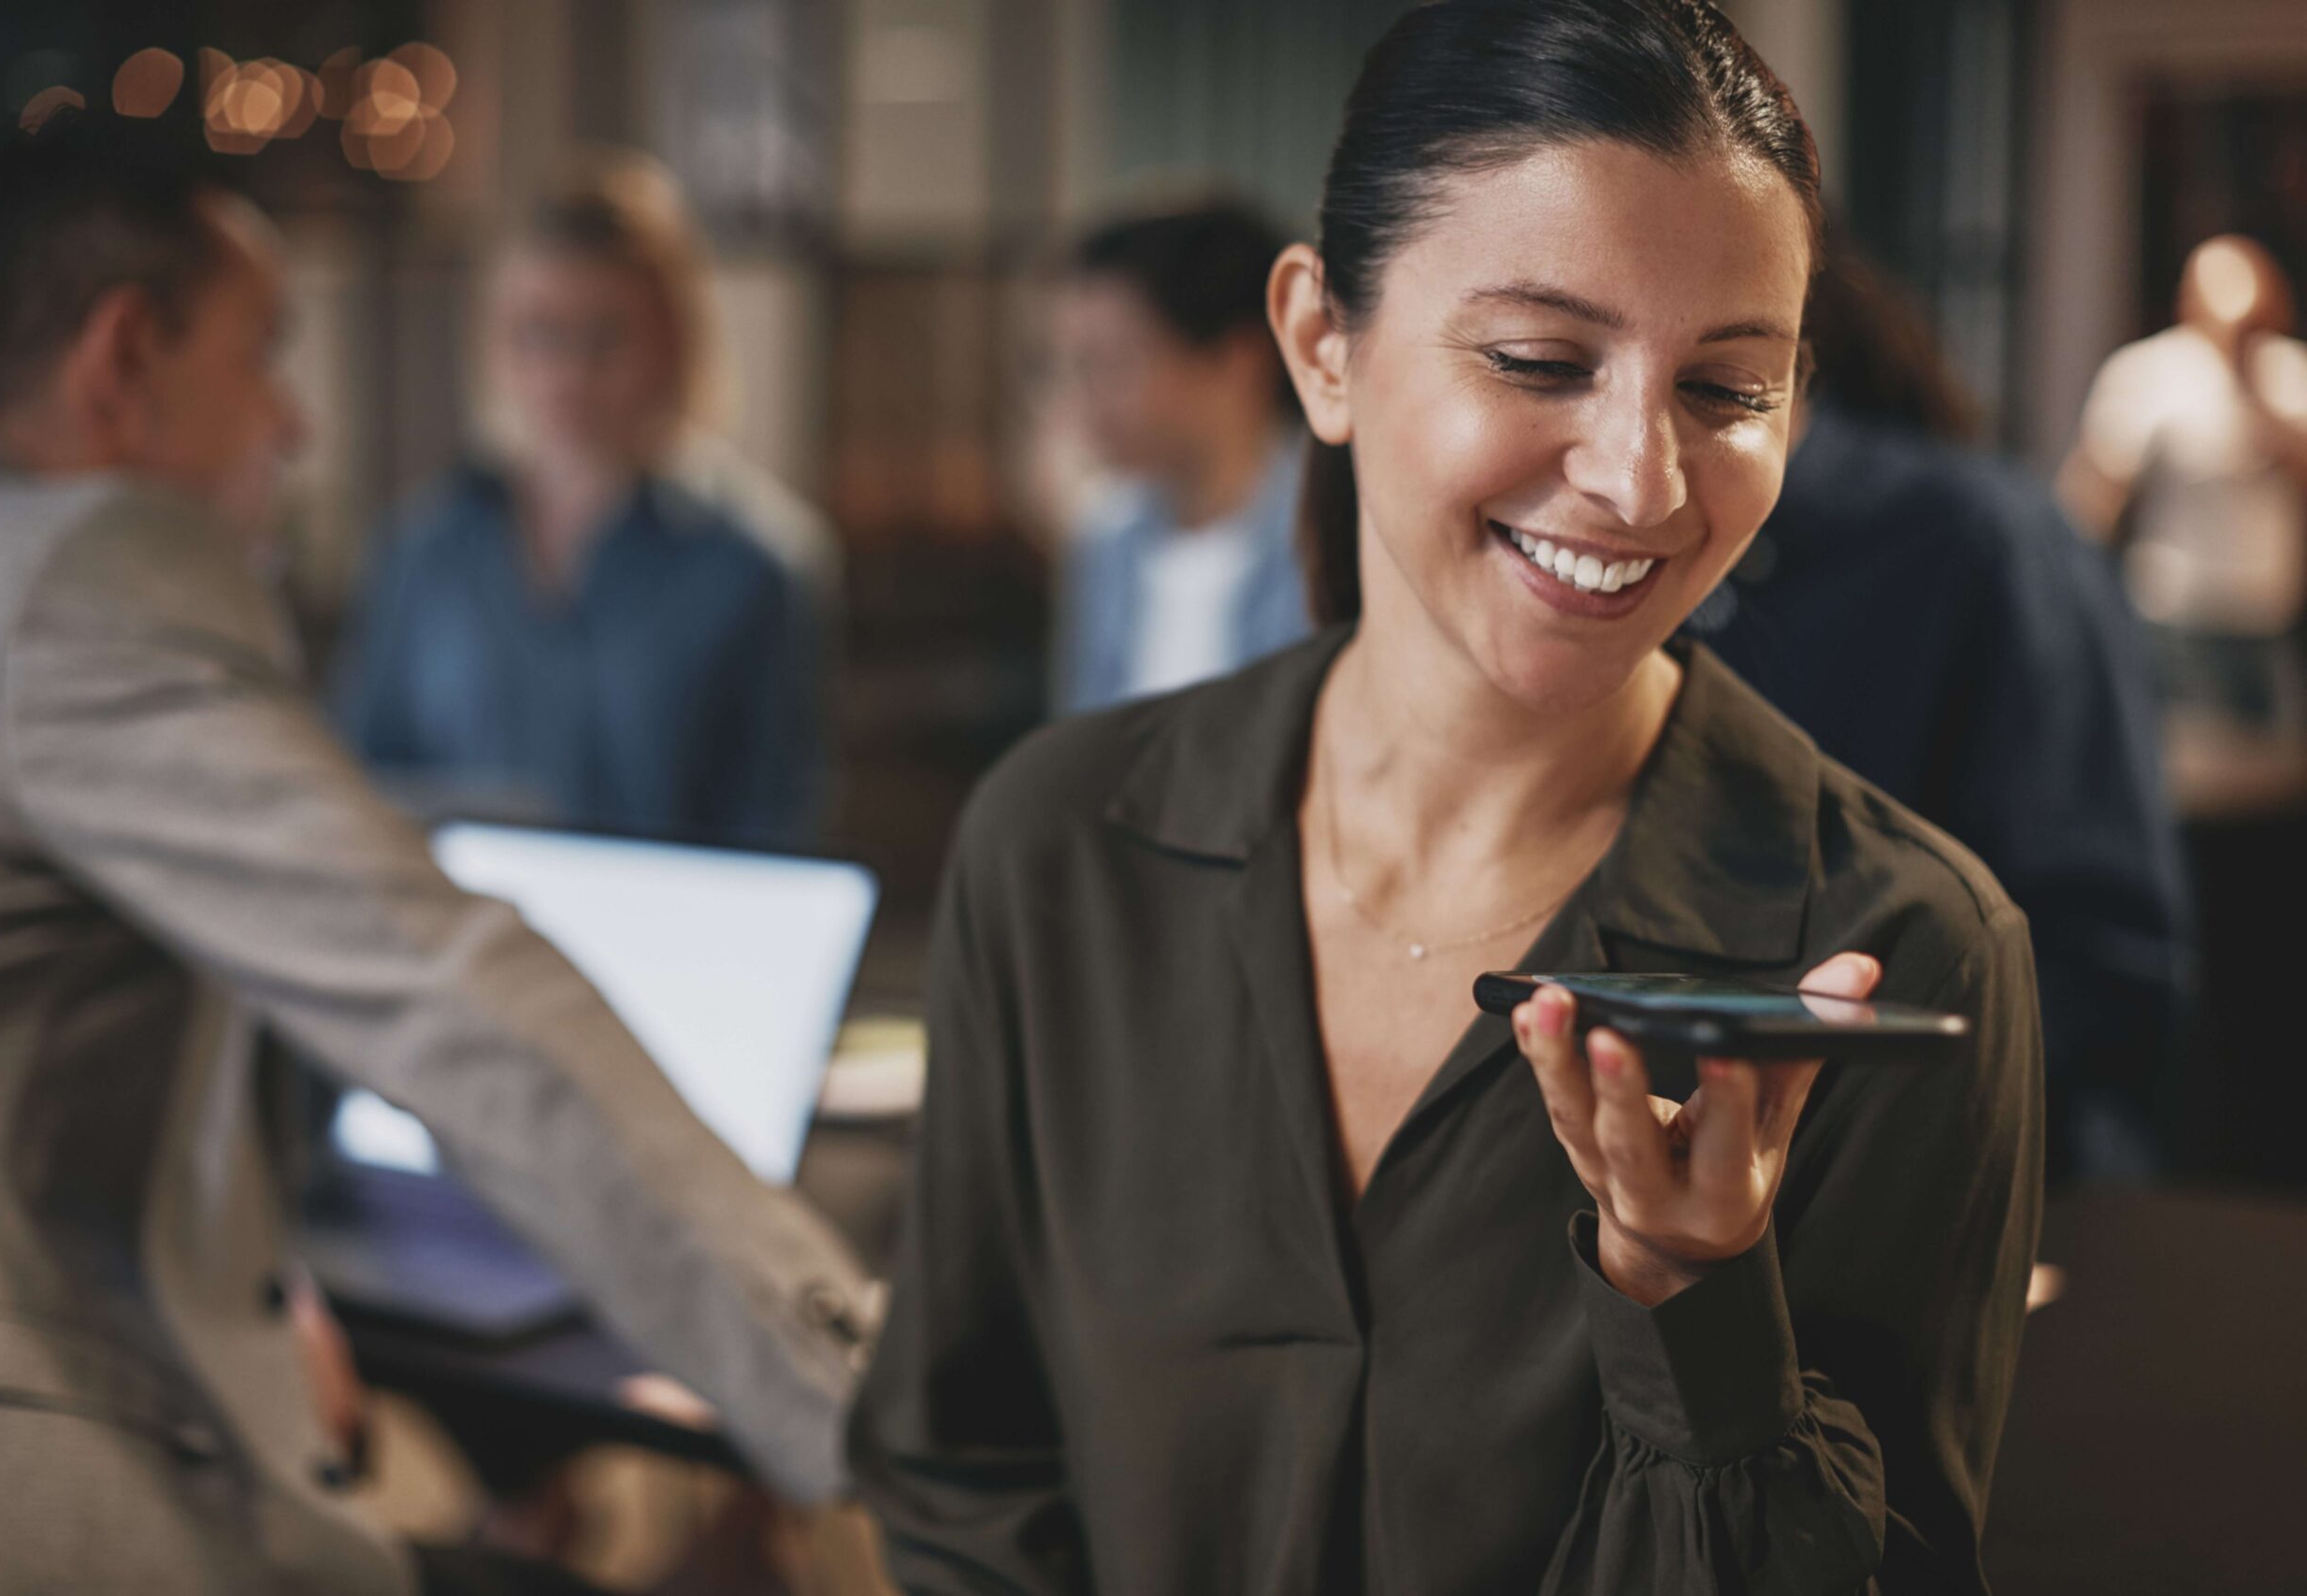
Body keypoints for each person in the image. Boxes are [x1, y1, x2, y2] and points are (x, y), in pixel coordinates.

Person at [851, 3, 2042, 1590]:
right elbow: (959, 1465)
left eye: (1727, 389)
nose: (1641, 479)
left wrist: (1692, 1296)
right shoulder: (1060, 846)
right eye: (1544, 360)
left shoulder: (1898, 949)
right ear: (1321, 346)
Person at [0, 114, 871, 1596]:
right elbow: (447, 991)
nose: (294, 424)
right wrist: (877, 1404)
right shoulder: (72, 578)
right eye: (260, 356)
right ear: (120, 362)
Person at [1689, 237, 2190, 1177]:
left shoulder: (1982, 541)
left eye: (1713, 377)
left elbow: (2104, 965)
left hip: (1946, 1181)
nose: (1627, 460)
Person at [331, 155, 823, 847]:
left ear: (675, 342)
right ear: (495, 342)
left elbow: (772, 828)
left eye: (606, 337)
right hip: (459, 942)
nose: (569, 375)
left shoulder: (753, 570)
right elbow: (363, 787)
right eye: (539, 334)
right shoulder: (423, 549)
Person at [1050, 201, 1314, 712]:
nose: (1084, 400)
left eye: (1113, 364)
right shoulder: (1106, 544)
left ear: (1238, 360)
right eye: (1075, 368)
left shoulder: (1340, 540)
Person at [2057, 234, 2307, 731]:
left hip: (2269, 620)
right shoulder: (2151, 373)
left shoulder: (2290, 374)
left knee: (2271, 785)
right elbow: (2095, 493)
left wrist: (2253, 390)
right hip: (2175, 622)